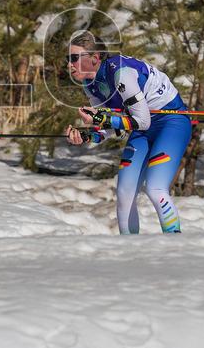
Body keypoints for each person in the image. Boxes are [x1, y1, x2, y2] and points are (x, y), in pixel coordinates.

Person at [64, 32, 191, 234]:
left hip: (170, 123)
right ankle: (130, 252)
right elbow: (110, 126)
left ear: (95, 59)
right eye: (67, 59)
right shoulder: (90, 84)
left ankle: (175, 249)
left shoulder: (120, 73)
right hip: (142, 128)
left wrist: (100, 119)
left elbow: (141, 120)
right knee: (124, 192)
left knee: (155, 188)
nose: (69, 64)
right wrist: (87, 135)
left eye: (73, 58)